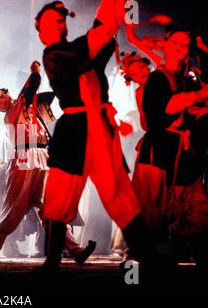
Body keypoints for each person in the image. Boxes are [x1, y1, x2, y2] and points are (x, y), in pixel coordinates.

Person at [35, 0, 155, 270]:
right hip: (74, 127)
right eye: (52, 19)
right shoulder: (54, 54)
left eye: (60, 18)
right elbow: (90, 47)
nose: (59, 22)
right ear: (39, 28)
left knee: (119, 193)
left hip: (99, 125)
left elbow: (98, 43)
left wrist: (112, 11)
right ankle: (52, 260)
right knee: (59, 195)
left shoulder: (77, 49)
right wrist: (109, 13)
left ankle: (148, 255)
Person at [132, 26, 208, 270]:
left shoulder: (187, 79)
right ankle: (144, 262)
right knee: (153, 212)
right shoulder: (157, 78)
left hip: (183, 151)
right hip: (159, 153)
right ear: (165, 45)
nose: (179, 48)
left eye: (185, 45)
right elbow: (163, 111)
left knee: (197, 206)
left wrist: (201, 107)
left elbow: (194, 109)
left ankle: (196, 251)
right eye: (175, 43)